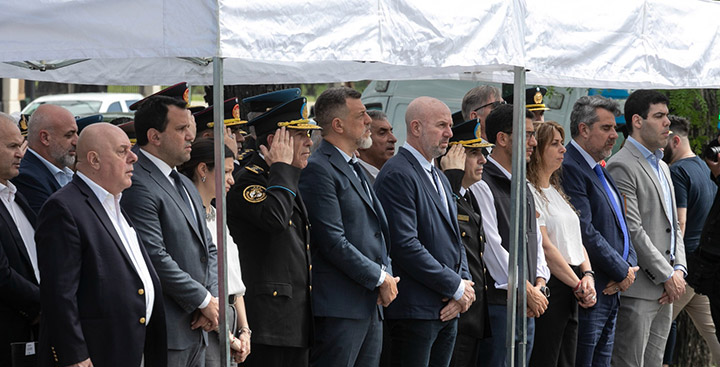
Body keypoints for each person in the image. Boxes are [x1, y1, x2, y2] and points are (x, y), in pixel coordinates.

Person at [35, 123, 166, 367]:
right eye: (122, 150)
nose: (133, 156)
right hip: (97, 354)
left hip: (134, 347)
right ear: (94, 160)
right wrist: (75, 355)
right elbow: (58, 293)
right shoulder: (64, 208)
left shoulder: (115, 203)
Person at [299, 86, 397, 367]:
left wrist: (385, 275)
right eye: (361, 115)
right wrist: (380, 277)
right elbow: (332, 240)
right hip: (340, 308)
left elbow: (376, 232)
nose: (368, 121)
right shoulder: (319, 168)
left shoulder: (354, 166)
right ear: (338, 125)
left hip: (368, 304)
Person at [374, 96, 473, 367]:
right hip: (414, 313)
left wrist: (464, 286)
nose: (450, 133)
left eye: (450, 125)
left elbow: (455, 238)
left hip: (445, 308)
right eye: (442, 125)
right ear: (416, 128)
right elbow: (405, 245)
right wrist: (453, 286)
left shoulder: (439, 175)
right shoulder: (398, 173)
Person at [121, 95, 219, 367]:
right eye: (180, 129)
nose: (190, 135)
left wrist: (209, 299)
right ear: (154, 136)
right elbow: (153, 255)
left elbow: (208, 247)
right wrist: (201, 299)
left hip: (197, 328)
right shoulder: (136, 181)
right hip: (166, 332)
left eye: (189, 127)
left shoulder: (184, 183)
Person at [227, 95, 320, 367]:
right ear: (273, 142)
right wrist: (280, 167)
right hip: (269, 323)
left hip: (293, 323)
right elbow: (275, 220)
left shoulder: (284, 176)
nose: (309, 142)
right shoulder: (249, 180)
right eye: (300, 135)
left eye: (309, 134)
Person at [607, 89, 686, 367]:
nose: (668, 123)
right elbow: (633, 230)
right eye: (660, 116)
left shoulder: (663, 166)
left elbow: (674, 225)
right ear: (638, 121)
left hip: (667, 290)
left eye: (667, 116)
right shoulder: (621, 166)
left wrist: (679, 270)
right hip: (639, 291)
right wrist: (667, 274)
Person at [469, 104, 550, 367]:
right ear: (502, 139)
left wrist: (539, 283)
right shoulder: (483, 183)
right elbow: (491, 247)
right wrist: (526, 289)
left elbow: (534, 238)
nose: (534, 142)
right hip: (500, 305)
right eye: (526, 134)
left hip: (527, 302)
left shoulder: (523, 184)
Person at [560, 95, 638, 367]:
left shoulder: (599, 169)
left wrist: (629, 266)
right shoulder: (570, 166)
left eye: (614, 128)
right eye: (606, 128)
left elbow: (621, 225)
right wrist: (622, 271)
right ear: (583, 129)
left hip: (613, 285)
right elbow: (584, 230)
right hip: (592, 288)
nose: (614, 136)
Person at [526, 121, 597, 367]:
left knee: (567, 359)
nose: (563, 149)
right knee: (547, 357)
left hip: (573, 283)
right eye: (555, 144)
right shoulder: (529, 191)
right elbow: (545, 247)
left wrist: (587, 275)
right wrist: (578, 283)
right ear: (537, 150)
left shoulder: (556, 190)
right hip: (555, 284)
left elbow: (576, 240)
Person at [179, 138, 251, 365]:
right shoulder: (189, 216)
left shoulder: (217, 212)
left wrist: (245, 331)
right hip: (210, 320)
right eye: (226, 171)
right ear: (203, 169)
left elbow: (233, 278)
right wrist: (228, 336)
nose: (231, 179)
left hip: (230, 317)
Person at [660, 115, 720, 365]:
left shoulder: (678, 171)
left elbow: (679, 222)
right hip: (705, 270)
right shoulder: (706, 169)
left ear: (675, 140)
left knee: (656, 324)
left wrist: (673, 267)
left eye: (665, 139)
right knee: (714, 335)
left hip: (688, 268)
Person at [438, 120, 493, 367]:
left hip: (472, 316)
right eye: (473, 153)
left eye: (482, 152)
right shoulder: (446, 192)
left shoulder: (467, 196)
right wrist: (451, 178)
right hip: (455, 312)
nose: (483, 160)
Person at [0, 113, 41, 366]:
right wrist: (45, 303)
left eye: (21, 146)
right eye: (12, 146)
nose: (21, 154)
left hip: (30, 335)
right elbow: (2, 274)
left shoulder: (15, 195)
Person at [12, 104, 77, 213]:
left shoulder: (64, 172)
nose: (76, 141)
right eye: (69, 135)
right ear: (45, 138)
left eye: (76, 133)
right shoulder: (27, 177)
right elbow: (57, 224)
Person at [357, 110, 397, 184]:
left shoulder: (394, 176)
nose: (393, 139)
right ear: (362, 140)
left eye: (391, 132)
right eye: (382, 133)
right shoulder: (356, 177)